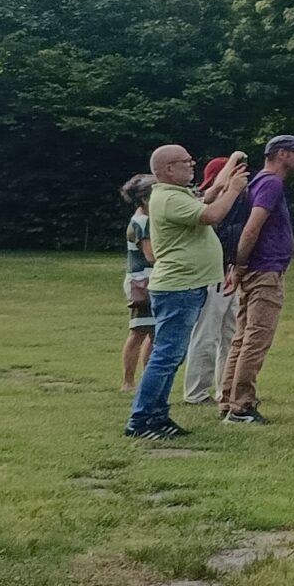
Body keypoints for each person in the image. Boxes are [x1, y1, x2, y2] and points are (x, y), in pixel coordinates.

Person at [126, 143, 252, 440]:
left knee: (170, 357)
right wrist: (234, 189)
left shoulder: (174, 194)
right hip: (178, 288)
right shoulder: (169, 198)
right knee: (165, 357)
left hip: (184, 287)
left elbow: (209, 194)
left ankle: (158, 416)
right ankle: (141, 420)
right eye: (186, 161)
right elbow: (212, 214)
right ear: (168, 169)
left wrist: (232, 162)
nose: (192, 164)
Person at [220, 133, 294, 425]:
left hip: (255, 269)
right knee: (256, 340)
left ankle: (227, 400)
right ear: (282, 154)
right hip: (265, 271)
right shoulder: (271, 183)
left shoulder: (257, 181)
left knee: (241, 339)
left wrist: (239, 267)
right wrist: (240, 265)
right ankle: (241, 407)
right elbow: (251, 228)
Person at [181, 156, 240, 413]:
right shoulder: (208, 204)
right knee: (206, 333)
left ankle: (225, 387)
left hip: (229, 273)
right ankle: (196, 391)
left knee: (231, 334)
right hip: (213, 276)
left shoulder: (233, 204)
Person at [119, 174, 156, 392]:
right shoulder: (142, 222)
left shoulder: (144, 219)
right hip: (142, 283)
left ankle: (146, 379)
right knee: (139, 331)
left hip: (149, 281)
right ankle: (128, 381)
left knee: (153, 331)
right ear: (145, 199)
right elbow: (151, 255)